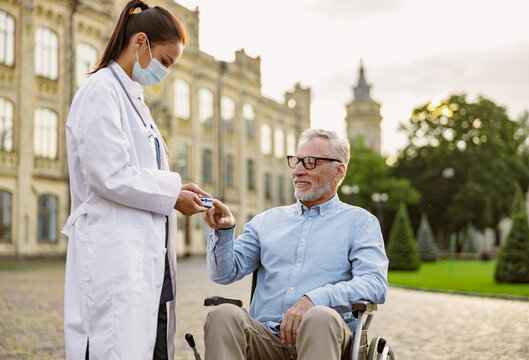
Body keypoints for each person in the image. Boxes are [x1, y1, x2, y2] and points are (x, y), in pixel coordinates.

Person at [62, 1, 209, 359]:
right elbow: (108, 174)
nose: (166, 72)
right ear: (140, 42)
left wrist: (177, 188)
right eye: (165, 61)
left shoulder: (137, 103)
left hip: (144, 261)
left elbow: (142, 174)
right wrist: (172, 193)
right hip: (114, 255)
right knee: (113, 346)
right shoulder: (101, 92)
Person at [203, 128, 389, 360]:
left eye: (311, 162)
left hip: (326, 338)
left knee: (320, 316)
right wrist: (223, 232)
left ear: (338, 171)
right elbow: (224, 274)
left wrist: (315, 299)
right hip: (266, 338)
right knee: (222, 315)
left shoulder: (360, 223)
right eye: (296, 161)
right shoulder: (266, 221)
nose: (298, 171)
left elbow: (375, 284)